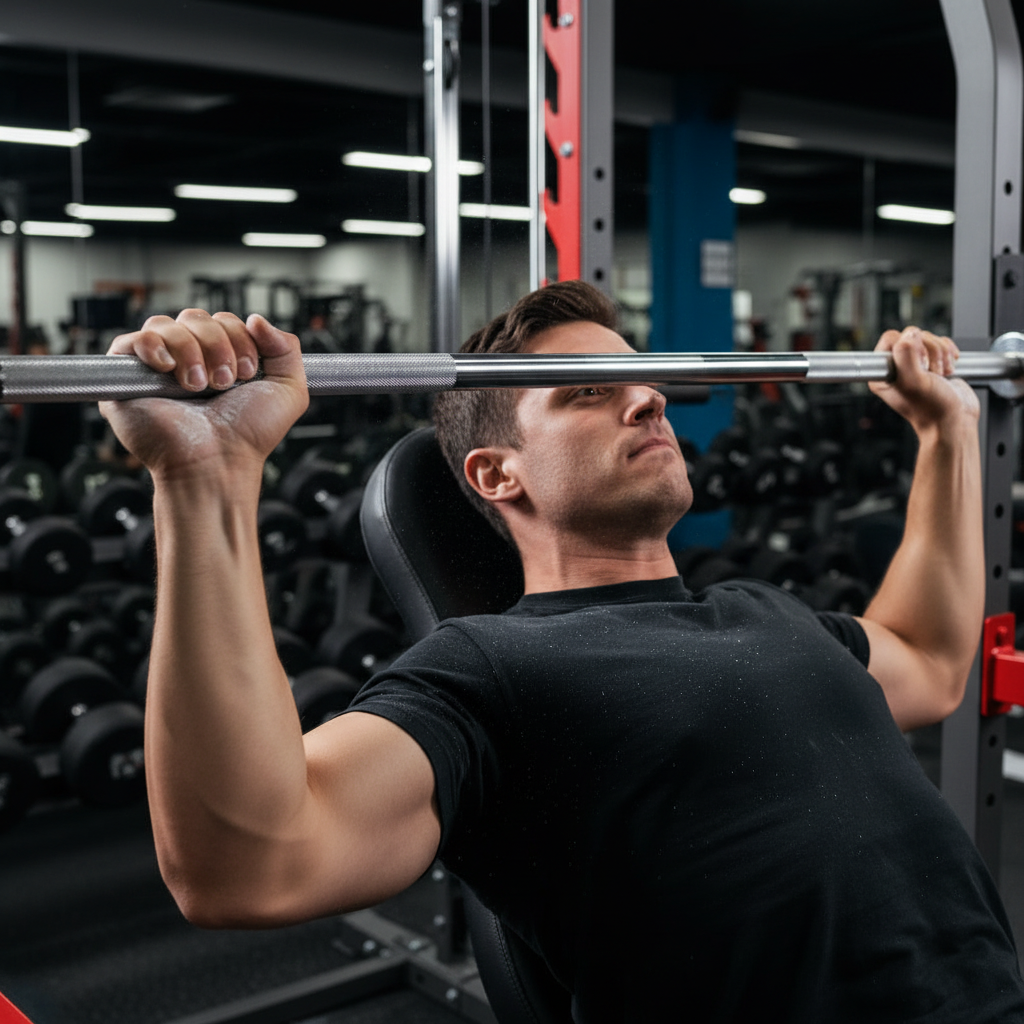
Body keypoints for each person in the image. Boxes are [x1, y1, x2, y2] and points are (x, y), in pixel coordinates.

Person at [103, 281, 1024, 1023]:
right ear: (496, 473)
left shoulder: (770, 613)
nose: (649, 397)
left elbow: (930, 656)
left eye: (645, 379)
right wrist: (206, 479)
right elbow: (250, 862)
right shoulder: (489, 671)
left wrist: (949, 431)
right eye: (590, 388)